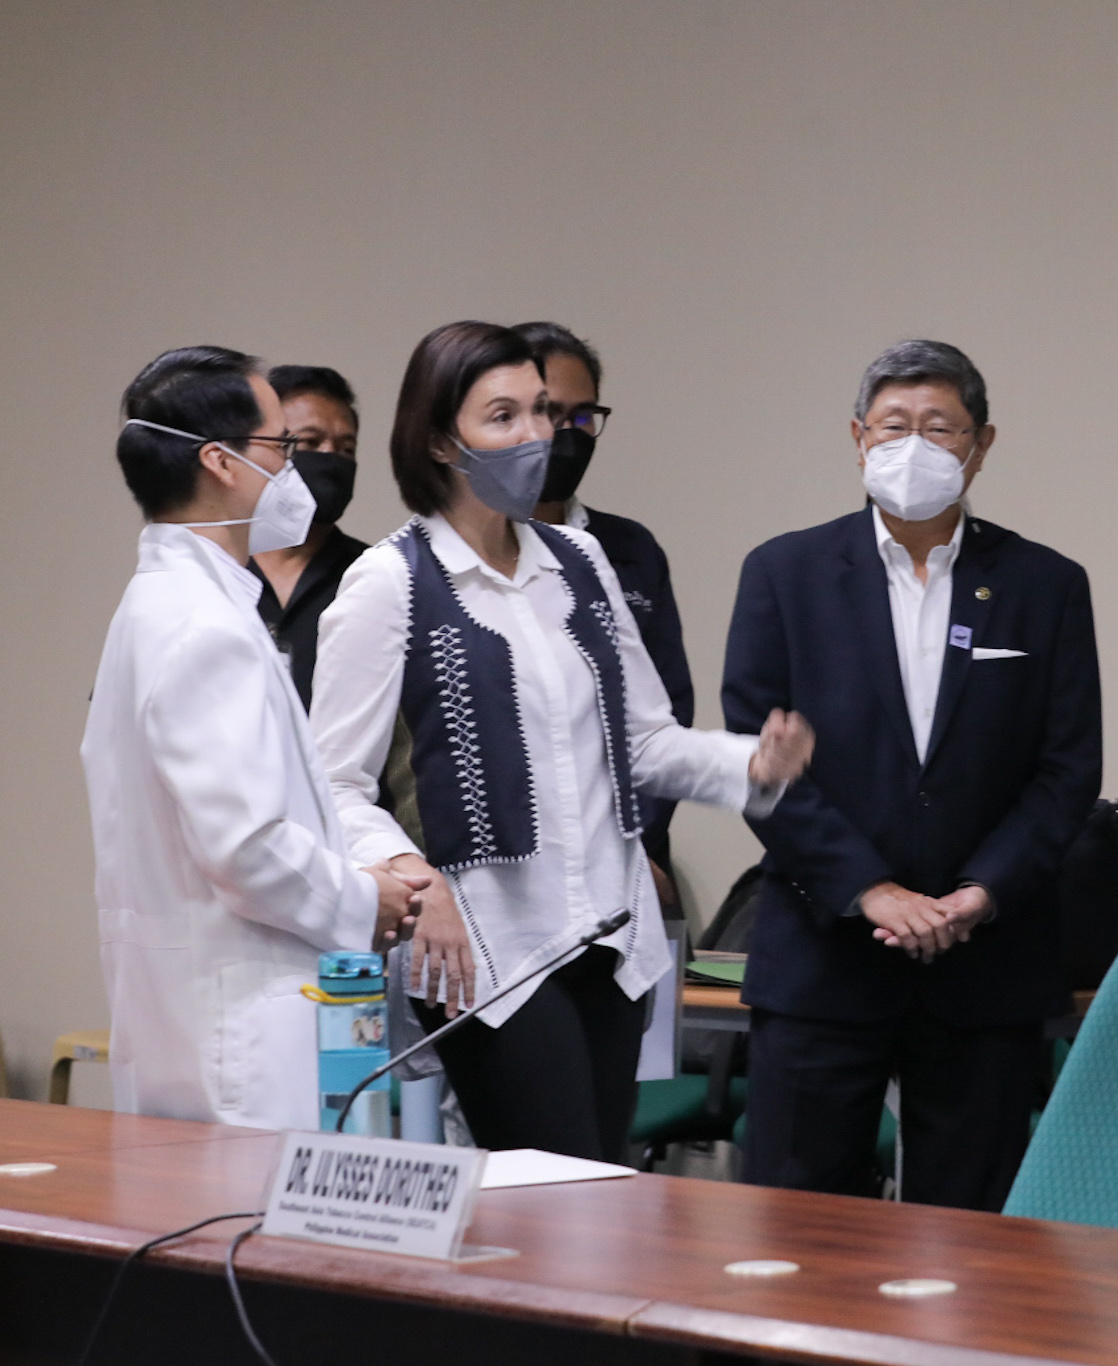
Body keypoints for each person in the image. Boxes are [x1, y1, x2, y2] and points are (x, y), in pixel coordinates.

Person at [312, 321, 813, 1162]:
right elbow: (333, 783)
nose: (537, 435)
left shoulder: (580, 561)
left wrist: (750, 765)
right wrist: (411, 879)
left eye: (542, 411)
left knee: (602, 1188)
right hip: (486, 950)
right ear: (441, 439)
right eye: (501, 416)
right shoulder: (389, 581)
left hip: (609, 937)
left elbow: (644, 742)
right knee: (556, 1201)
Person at [724, 339, 1101, 1210]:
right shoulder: (785, 573)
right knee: (793, 1231)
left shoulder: (1045, 584)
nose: (915, 448)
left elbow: (1066, 768)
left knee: (972, 1247)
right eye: (895, 427)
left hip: (986, 966)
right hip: (824, 959)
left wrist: (979, 894)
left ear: (982, 444)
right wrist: (869, 890)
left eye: (941, 430)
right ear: (858, 438)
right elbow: (760, 760)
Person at [84, 346, 423, 1128]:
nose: (297, 473)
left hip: (203, 1011)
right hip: (242, 1032)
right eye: (283, 449)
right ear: (220, 462)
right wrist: (365, 899)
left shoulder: (169, 605)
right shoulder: (202, 625)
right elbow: (247, 849)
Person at [514, 321, 695, 913]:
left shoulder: (628, 550)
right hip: (502, 865)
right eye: (550, 412)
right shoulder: (438, 559)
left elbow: (664, 712)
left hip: (627, 861)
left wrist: (636, 847)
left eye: (583, 417)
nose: (566, 435)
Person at [249, 365, 369, 708]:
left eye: (347, 449)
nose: (331, 457)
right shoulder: (210, 573)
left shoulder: (372, 576)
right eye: (310, 443)